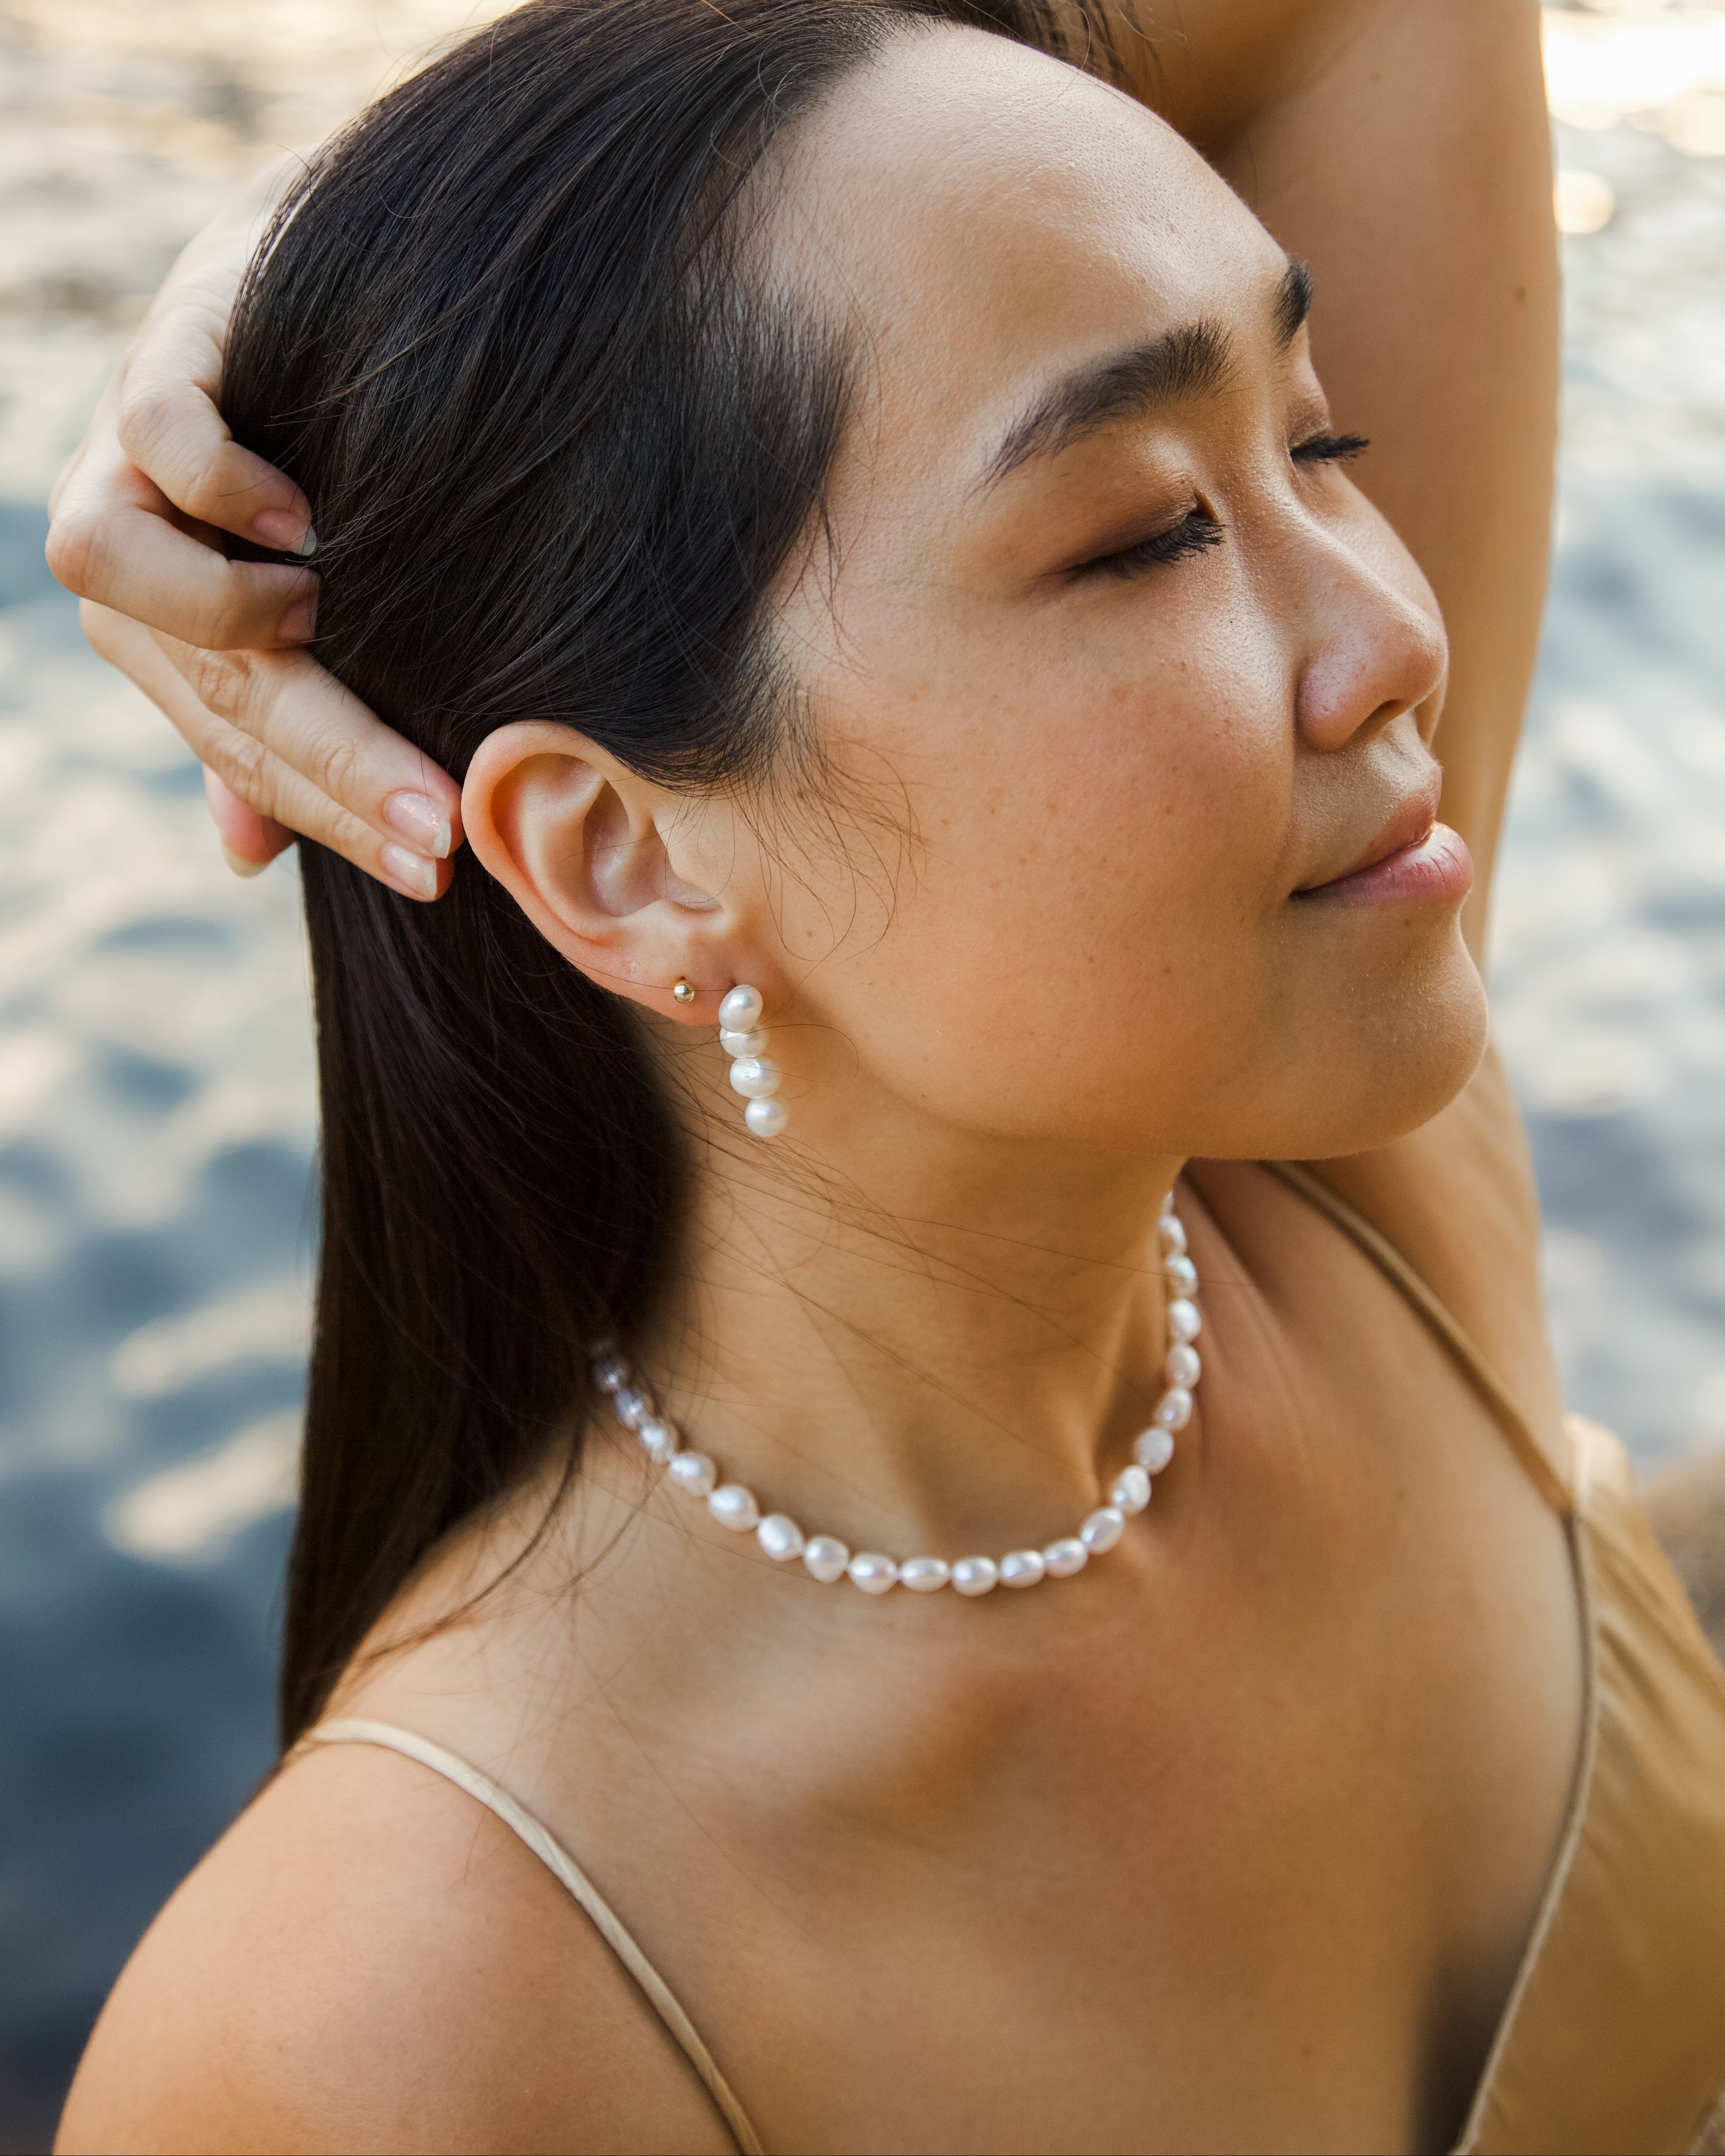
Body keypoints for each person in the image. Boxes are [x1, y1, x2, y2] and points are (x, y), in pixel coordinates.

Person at [44, 0, 1725, 2149]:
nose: (1392, 634)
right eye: (1140, 538)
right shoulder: (415, 2017)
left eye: (1317, 448)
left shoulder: (1347, 1162)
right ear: (627, 856)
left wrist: (305, 241)